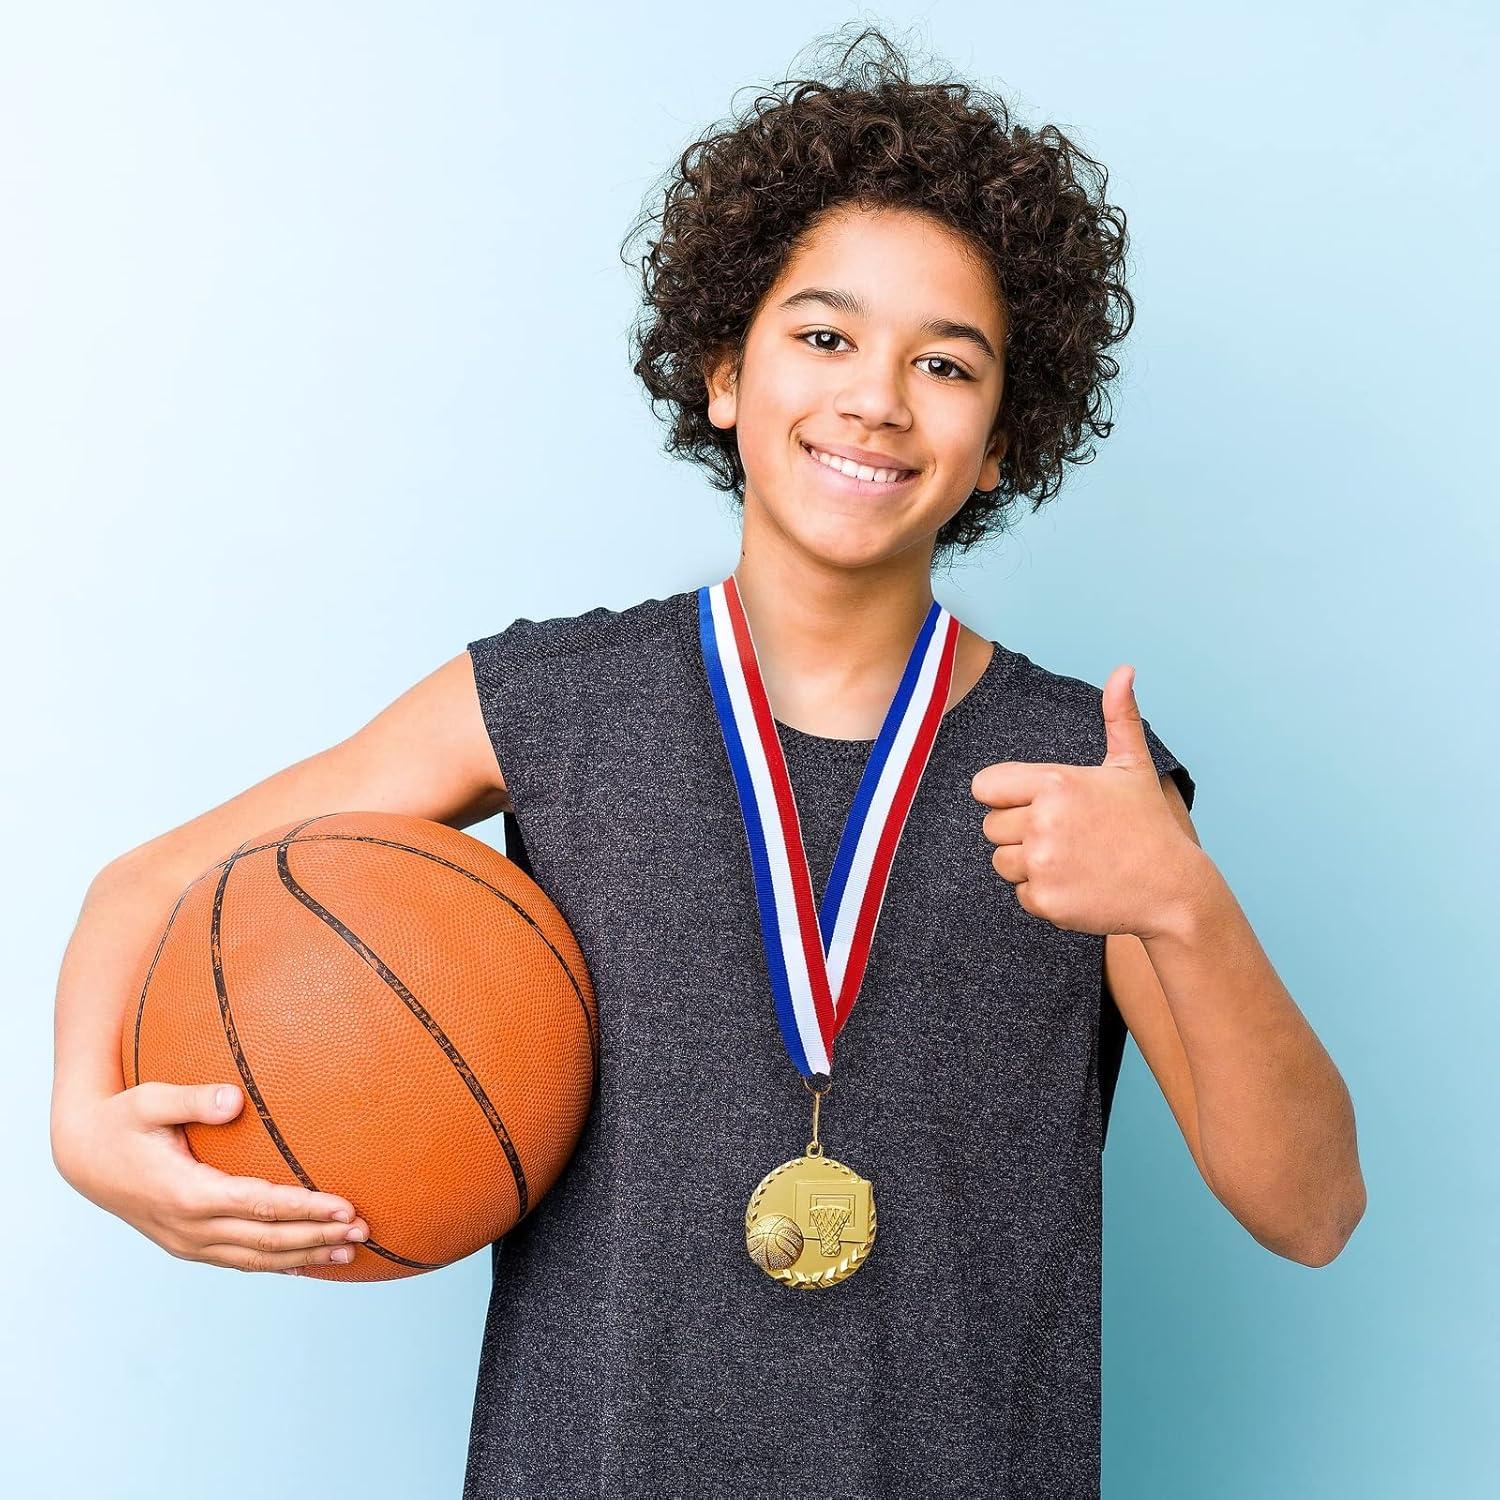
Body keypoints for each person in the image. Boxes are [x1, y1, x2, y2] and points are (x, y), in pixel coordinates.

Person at [49, 25, 1365, 1499]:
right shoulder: (553, 703)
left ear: (1003, 442)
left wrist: (1185, 902)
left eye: (945, 363)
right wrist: (87, 1135)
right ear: (722, 372)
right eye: (823, 337)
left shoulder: (1086, 778)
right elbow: (143, 887)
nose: (875, 396)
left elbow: (1311, 1212)